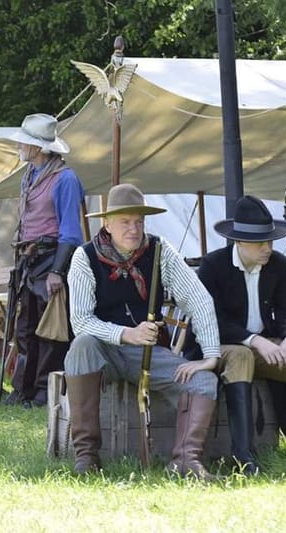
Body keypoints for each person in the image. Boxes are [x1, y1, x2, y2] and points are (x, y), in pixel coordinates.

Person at [66, 183, 220, 478]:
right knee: (82, 345)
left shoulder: (159, 251)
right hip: (102, 352)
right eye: (125, 221)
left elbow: (199, 300)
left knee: (203, 381)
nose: (134, 229)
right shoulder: (84, 257)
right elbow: (81, 322)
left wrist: (211, 356)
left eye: (139, 221)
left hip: (147, 352)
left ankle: (185, 462)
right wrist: (126, 334)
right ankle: (86, 459)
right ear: (107, 224)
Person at [196, 195, 286, 475]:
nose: (267, 248)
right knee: (242, 355)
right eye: (259, 243)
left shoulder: (279, 265)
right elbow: (211, 321)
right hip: (222, 347)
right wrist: (255, 341)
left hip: (267, 347)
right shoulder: (213, 266)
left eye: (269, 241)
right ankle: (244, 456)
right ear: (239, 242)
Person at [6, 113, 85, 408]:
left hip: (52, 260)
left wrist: (57, 272)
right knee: (25, 329)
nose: (19, 147)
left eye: (24, 143)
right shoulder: (30, 175)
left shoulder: (66, 179)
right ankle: (22, 390)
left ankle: (44, 393)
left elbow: (71, 232)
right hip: (30, 261)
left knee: (51, 332)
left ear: (38, 147)